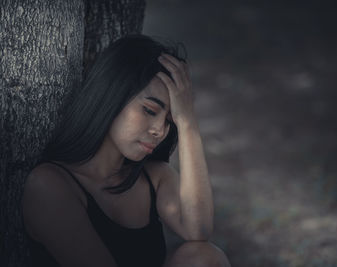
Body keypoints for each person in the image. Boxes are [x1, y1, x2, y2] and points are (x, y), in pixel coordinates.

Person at [22, 34, 231, 267]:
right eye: (150, 111)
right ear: (113, 95)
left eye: (169, 121)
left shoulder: (155, 177)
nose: (160, 131)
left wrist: (188, 123)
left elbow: (199, 230)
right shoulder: (49, 185)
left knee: (203, 258)